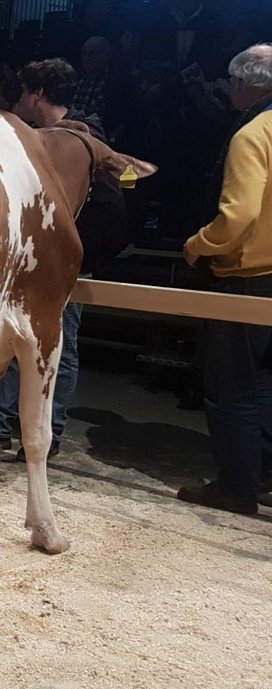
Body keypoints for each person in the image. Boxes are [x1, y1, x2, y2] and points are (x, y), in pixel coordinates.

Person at [0, 58, 127, 460]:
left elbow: (112, 206)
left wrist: (76, 253)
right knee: (17, 341)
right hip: (26, 262)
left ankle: (50, 429)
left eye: (24, 93)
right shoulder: (36, 138)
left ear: (37, 94)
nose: (20, 101)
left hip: (60, 266)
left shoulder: (85, 141)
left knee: (61, 346)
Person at [177, 43, 272, 516]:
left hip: (248, 277)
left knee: (231, 388)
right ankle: (261, 475)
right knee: (265, 385)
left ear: (243, 84)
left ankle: (237, 488)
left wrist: (197, 245)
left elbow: (238, 217)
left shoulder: (253, 133)